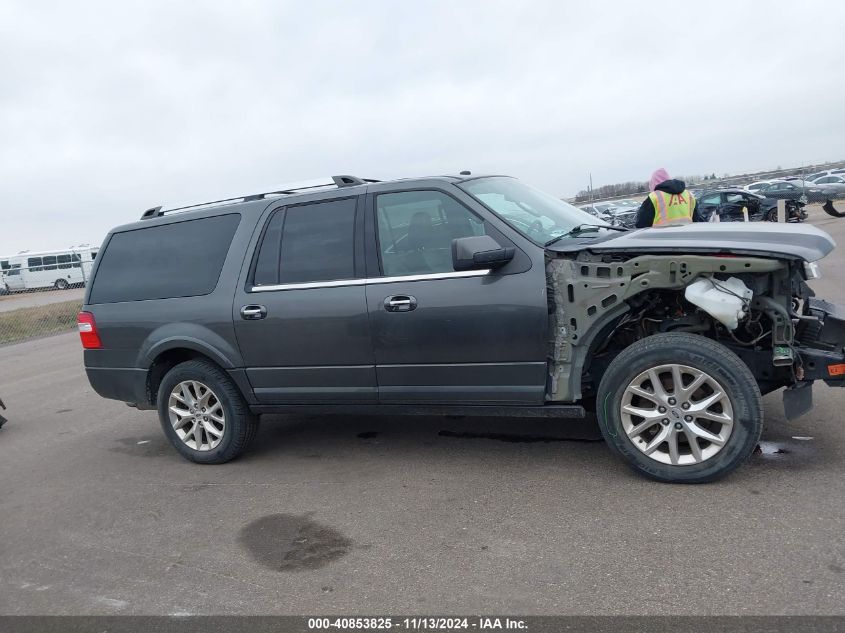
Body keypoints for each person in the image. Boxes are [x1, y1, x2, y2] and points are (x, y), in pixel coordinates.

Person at [634, 168, 700, 228]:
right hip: (687, 237)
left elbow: (641, 224)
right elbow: (697, 220)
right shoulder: (689, 195)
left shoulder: (654, 197)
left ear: (653, 183)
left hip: (662, 238)